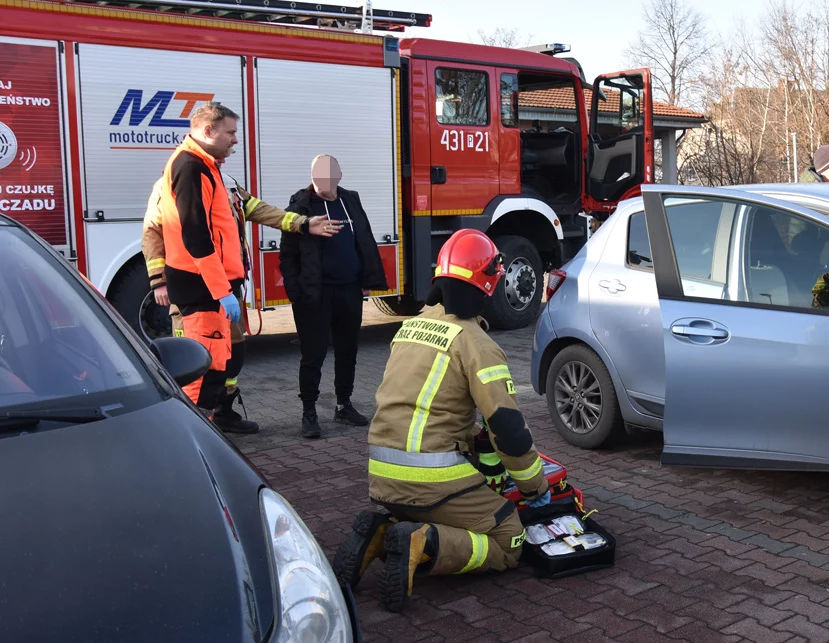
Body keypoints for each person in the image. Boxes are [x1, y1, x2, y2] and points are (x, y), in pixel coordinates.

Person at [330, 229, 551, 612]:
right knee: (509, 537)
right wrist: (534, 486)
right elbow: (510, 433)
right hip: (431, 482)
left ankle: (384, 534)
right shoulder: (479, 346)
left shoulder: (410, 328)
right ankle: (425, 541)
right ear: (488, 284)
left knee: (434, 505)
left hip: (382, 475)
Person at [142, 167, 342, 434]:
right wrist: (159, 280)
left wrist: (301, 223)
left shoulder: (228, 183)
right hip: (193, 291)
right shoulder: (173, 183)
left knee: (233, 353)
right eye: (229, 135)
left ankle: (223, 410)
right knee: (193, 357)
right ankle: (191, 424)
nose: (232, 145)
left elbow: (258, 209)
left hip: (225, 287)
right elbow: (153, 231)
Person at [280, 154, 389, 438]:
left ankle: (343, 405)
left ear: (339, 174)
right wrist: (296, 293)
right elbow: (287, 257)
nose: (326, 181)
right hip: (315, 295)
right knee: (313, 355)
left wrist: (366, 278)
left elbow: (363, 237)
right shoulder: (300, 206)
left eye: (330, 173)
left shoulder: (350, 199)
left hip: (349, 290)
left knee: (347, 351)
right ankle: (309, 413)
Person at [156, 102, 248, 419]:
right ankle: (190, 442)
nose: (235, 140)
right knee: (201, 372)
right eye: (231, 132)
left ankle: (203, 432)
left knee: (215, 365)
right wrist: (221, 289)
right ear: (208, 131)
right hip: (203, 289)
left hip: (209, 288)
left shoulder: (204, 165)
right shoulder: (191, 166)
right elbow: (195, 234)